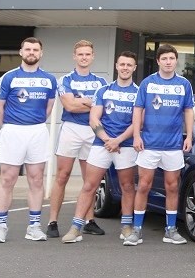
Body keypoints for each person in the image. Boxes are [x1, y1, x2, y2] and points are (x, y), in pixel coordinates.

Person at [61, 51, 140, 244]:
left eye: (129, 65)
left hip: (125, 145)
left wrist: (117, 140)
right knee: (90, 185)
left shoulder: (139, 93)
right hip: (102, 144)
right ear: (116, 66)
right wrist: (107, 139)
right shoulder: (103, 90)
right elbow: (93, 118)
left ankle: (126, 227)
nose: (125, 68)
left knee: (128, 186)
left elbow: (138, 122)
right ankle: (76, 228)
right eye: (122, 64)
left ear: (134, 68)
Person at [124, 44, 194, 247]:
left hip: (173, 145)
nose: (168, 62)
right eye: (164, 59)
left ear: (176, 60)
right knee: (143, 185)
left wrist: (189, 136)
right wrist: (136, 136)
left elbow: (189, 110)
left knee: (172, 186)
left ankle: (170, 230)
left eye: (171, 58)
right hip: (149, 144)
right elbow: (138, 110)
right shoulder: (147, 83)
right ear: (158, 61)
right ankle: (137, 229)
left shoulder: (184, 84)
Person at [0, 37, 58, 243]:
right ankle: (0, 226)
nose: (31, 53)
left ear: (41, 53)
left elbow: (48, 108)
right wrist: (9, 128)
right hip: (12, 131)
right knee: (7, 179)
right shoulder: (8, 77)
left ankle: (34, 226)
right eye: (28, 49)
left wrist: (32, 124)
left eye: (35, 50)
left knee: (36, 179)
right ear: (21, 52)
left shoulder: (49, 79)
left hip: (37, 132)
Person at [47, 40, 107, 238]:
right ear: (74, 56)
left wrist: (80, 101)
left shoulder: (101, 82)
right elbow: (70, 106)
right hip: (71, 129)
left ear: (93, 56)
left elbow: (102, 108)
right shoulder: (65, 79)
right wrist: (91, 103)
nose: (84, 57)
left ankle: (89, 221)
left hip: (93, 130)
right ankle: (53, 222)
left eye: (87, 54)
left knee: (90, 179)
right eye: (80, 54)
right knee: (62, 175)